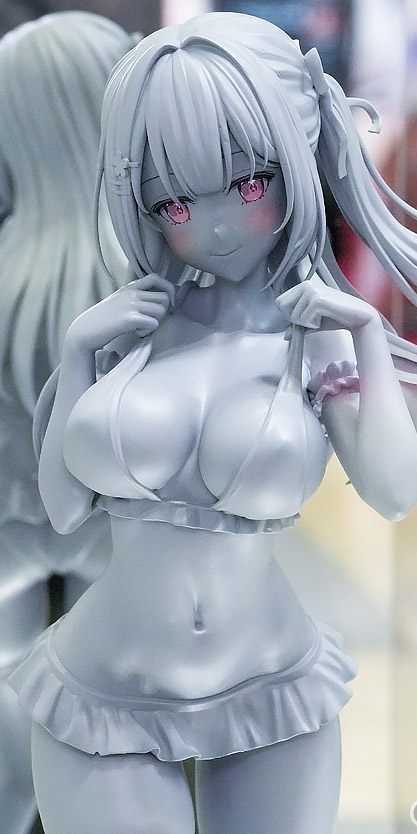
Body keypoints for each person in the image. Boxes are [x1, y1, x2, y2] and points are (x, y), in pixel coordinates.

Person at [9, 13, 417, 834]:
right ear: (142, 203)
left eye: (249, 185)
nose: (217, 224)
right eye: (176, 201)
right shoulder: (127, 326)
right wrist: (82, 352)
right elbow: (63, 509)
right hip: (102, 696)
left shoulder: (316, 338)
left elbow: (394, 491)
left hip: (272, 690)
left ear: (294, 163)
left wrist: (365, 338)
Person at [0, 12, 133, 834]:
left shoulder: (8, 270)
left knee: (12, 700)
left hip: (8, 532)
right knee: (109, 724)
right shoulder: (146, 276)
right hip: (121, 538)